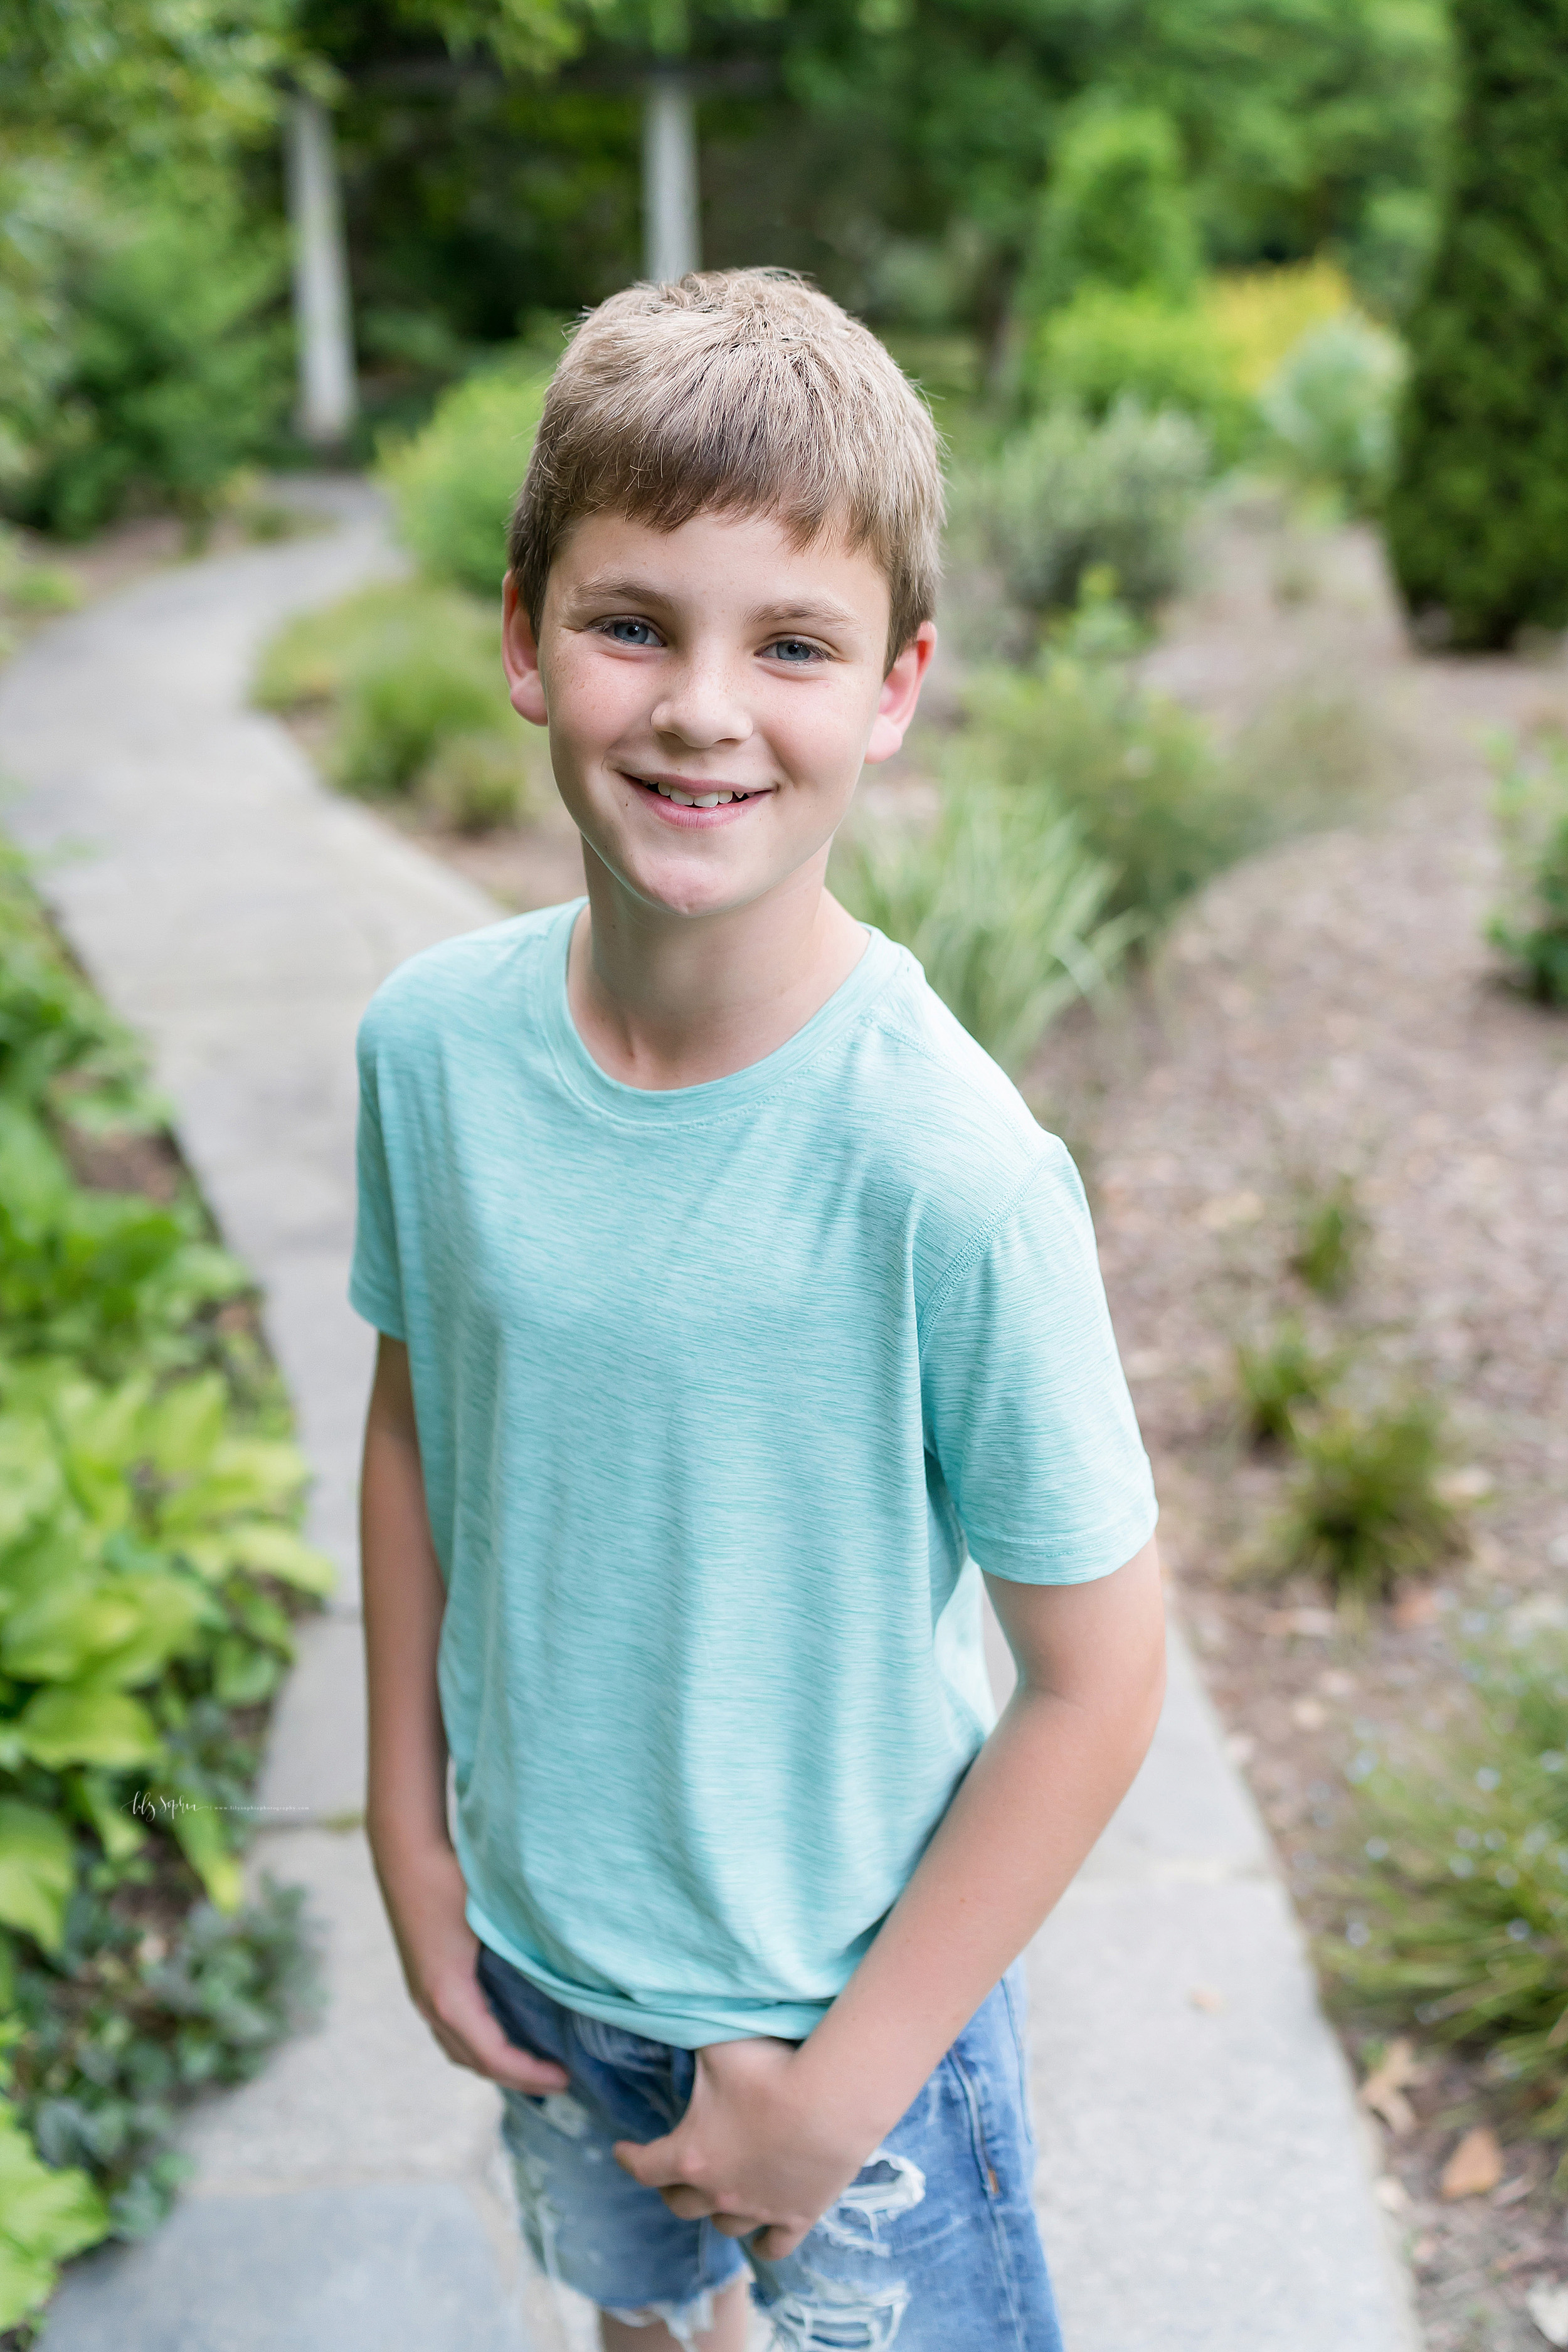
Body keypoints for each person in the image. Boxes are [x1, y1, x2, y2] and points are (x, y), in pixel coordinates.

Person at [352, 267, 1165, 2352]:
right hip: (543, 1952)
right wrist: (410, 1839)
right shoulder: (430, 1053)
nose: (705, 708)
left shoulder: (948, 1173)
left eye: (788, 643)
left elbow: (1095, 1681)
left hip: (844, 2018)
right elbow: (413, 1418)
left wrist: (837, 2098)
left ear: (892, 686)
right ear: (524, 639)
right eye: (636, 624)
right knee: (637, 2323)